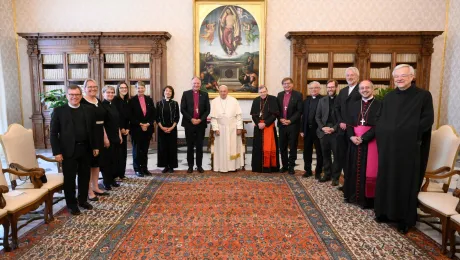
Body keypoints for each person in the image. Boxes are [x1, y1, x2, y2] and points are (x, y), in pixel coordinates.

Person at [374, 64, 434, 234]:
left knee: (405, 181)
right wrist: (383, 131)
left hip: (408, 149)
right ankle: (384, 212)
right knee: (386, 177)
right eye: (396, 76)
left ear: (412, 77)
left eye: (403, 76)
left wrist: (405, 134)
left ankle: (404, 219)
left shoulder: (423, 96)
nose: (399, 79)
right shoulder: (389, 97)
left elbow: (427, 120)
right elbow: (380, 117)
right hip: (388, 147)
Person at [50, 85, 99, 215]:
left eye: (77, 94)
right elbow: (53, 134)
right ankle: (71, 205)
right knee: (70, 179)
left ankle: (82, 200)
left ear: (81, 96)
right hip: (68, 151)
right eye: (71, 94)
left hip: (86, 149)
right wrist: (57, 152)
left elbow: (93, 130)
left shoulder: (88, 110)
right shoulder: (59, 111)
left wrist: (95, 146)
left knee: (84, 176)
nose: (74, 97)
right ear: (67, 96)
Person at [344, 80, 382, 208]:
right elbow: (348, 124)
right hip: (354, 142)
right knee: (353, 167)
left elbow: (380, 125)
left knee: (368, 170)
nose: (364, 90)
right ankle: (352, 195)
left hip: (370, 143)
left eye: (367, 88)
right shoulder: (354, 105)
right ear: (359, 90)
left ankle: (367, 200)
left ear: (372, 89)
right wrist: (351, 136)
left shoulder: (379, 105)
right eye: (362, 88)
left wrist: (364, 138)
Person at [80, 79, 110, 198]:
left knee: (96, 163)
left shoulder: (98, 100)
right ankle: (88, 191)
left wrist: (105, 137)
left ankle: (95, 187)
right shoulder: (82, 101)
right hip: (88, 136)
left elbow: (101, 122)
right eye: (90, 87)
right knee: (87, 164)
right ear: (84, 88)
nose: (93, 89)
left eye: (95, 87)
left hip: (99, 133)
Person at [335, 67, 362, 190]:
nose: (350, 77)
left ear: (357, 76)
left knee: (354, 158)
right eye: (348, 75)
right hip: (342, 129)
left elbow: (360, 111)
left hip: (355, 129)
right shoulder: (343, 91)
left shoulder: (361, 90)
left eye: (352, 75)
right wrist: (341, 121)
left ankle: (354, 185)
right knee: (344, 157)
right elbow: (337, 108)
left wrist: (348, 122)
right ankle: (346, 183)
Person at [210, 85, 245, 172]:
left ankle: (232, 167)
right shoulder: (214, 101)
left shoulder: (234, 100)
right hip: (220, 129)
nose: (223, 93)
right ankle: (221, 167)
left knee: (233, 147)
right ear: (219, 92)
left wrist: (239, 127)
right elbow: (213, 118)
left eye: (224, 91)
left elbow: (239, 116)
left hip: (232, 128)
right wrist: (215, 128)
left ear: (227, 91)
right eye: (221, 91)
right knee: (221, 149)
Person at [181, 77, 211, 173]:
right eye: (194, 83)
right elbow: (183, 109)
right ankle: (190, 166)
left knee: (199, 146)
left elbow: (207, 110)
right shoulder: (186, 94)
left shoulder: (205, 94)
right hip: (189, 124)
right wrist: (191, 119)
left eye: (198, 83)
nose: (196, 85)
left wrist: (200, 119)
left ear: (200, 84)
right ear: (191, 84)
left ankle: (199, 166)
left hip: (200, 124)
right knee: (190, 146)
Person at [315, 80, 340, 186]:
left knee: (337, 156)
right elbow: (317, 116)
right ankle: (327, 174)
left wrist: (333, 128)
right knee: (325, 155)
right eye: (328, 87)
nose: (330, 89)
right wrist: (323, 127)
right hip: (324, 131)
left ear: (336, 88)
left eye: (332, 87)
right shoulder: (322, 100)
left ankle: (335, 177)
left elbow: (343, 118)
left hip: (336, 132)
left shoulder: (340, 100)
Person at [250, 85, 280, 173]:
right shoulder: (256, 100)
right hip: (258, 126)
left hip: (269, 125)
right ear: (258, 93)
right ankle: (257, 167)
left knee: (270, 146)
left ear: (267, 91)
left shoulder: (273, 99)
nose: (262, 94)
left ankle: (270, 167)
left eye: (264, 92)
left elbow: (275, 114)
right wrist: (258, 123)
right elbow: (253, 115)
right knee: (257, 147)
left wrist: (265, 123)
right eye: (261, 92)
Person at [277, 77, 303, 174]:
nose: (286, 85)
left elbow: (299, 111)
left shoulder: (298, 95)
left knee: (292, 146)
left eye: (288, 83)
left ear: (292, 84)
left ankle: (291, 166)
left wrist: (290, 120)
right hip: (282, 124)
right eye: (284, 83)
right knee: (282, 146)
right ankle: (284, 166)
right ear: (282, 85)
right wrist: (280, 118)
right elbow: (277, 109)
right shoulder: (279, 95)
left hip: (293, 125)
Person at [129, 81, 156, 177]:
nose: (140, 90)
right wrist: (140, 124)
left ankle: (144, 168)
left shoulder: (149, 99)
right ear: (135, 89)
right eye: (138, 88)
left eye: (142, 88)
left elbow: (153, 114)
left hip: (147, 129)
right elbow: (130, 116)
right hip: (136, 129)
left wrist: (148, 124)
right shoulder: (132, 101)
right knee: (136, 150)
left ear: (145, 89)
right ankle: (137, 169)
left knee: (145, 150)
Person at [100, 86, 122, 191]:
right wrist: (105, 138)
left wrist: (120, 135)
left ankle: (112, 179)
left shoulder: (113, 105)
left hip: (115, 136)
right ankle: (106, 181)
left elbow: (117, 122)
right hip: (107, 137)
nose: (110, 94)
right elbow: (102, 125)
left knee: (114, 159)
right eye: (108, 92)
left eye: (112, 92)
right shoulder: (102, 106)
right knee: (107, 160)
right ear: (103, 93)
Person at [301, 81, 323, 179]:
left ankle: (318, 171)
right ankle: (308, 170)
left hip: (318, 131)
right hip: (307, 130)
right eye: (311, 88)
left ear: (319, 88)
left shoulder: (323, 100)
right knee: (307, 151)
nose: (313, 90)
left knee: (319, 152)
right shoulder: (306, 101)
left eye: (315, 88)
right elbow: (303, 117)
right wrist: (302, 130)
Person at [156, 86, 180, 173]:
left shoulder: (175, 103)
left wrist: (171, 127)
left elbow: (177, 117)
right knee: (163, 148)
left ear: (172, 93)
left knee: (172, 148)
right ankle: (165, 166)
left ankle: (171, 166)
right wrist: (162, 127)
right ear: (164, 92)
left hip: (172, 129)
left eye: (170, 91)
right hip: (161, 129)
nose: (168, 92)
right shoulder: (158, 104)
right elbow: (157, 117)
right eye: (166, 91)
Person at [112, 81, 130, 180]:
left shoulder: (127, 101)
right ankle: (115, 174)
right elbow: (116, 117)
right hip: (117, 130)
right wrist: (121, 128)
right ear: (118, 89)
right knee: (117, 154)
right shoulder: (115, 100)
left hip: (125, 131)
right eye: (121, 88)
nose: (124, 89)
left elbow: (128, 117)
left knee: (123, 153)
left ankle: (122, 173)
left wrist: (127, 128)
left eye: (125, 88)